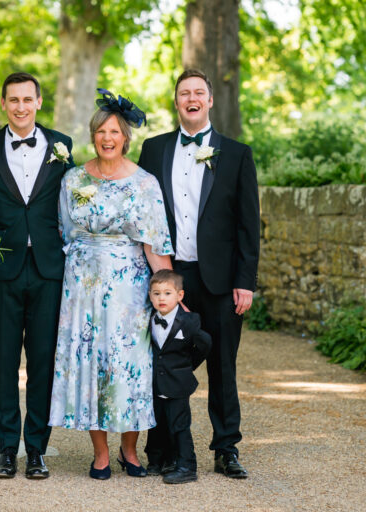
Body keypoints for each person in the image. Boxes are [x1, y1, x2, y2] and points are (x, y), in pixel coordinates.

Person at [137, 69, 260, 479]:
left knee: (223, 365)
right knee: (166, 363)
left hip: (223, 281)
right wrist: (158, 275)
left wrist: (246, 281)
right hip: (170, 277)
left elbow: (248, 224)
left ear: (209, 101)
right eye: (184, 93)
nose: (191, 98)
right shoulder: (153, 151)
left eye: (199, 93)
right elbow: (143, 216)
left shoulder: (237, 154)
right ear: (176, 102)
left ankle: (226, 448)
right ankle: (165, 449)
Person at [48, 90, 173, 480]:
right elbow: (66, 232)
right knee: (91, 365)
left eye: (115, 131)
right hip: (82, 287)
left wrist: (169, 294)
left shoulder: (145, 183)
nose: (107, 137)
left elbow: (156, 242)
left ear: (125, 137)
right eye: (101, 130)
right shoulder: (73, 178)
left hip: (129, 290)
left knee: (130, 365)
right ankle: (100, 453)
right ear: (92, 135)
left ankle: (129, 450)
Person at [0, 72, 74, 479]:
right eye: (13, 100)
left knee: (43, 362)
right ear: (3, 104)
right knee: (3, 360)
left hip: (50, 268)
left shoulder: (62, 145)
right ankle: (6, 449)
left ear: (39, 101)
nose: (20, 107)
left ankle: (37, 450)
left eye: (27, 99)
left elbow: (73, 199)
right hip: (3, 267)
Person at [145, 269, 211, 484]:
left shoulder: (189, 320)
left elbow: (204, 344)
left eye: (167, 293)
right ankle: (156, 461)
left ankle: (186, 466)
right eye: (156, 293)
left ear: (179, 295)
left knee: (179, 426)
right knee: (156, 424)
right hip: (155, 383)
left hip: (178, 383)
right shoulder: (147, 319)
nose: (161, 298)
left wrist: (186, 366)